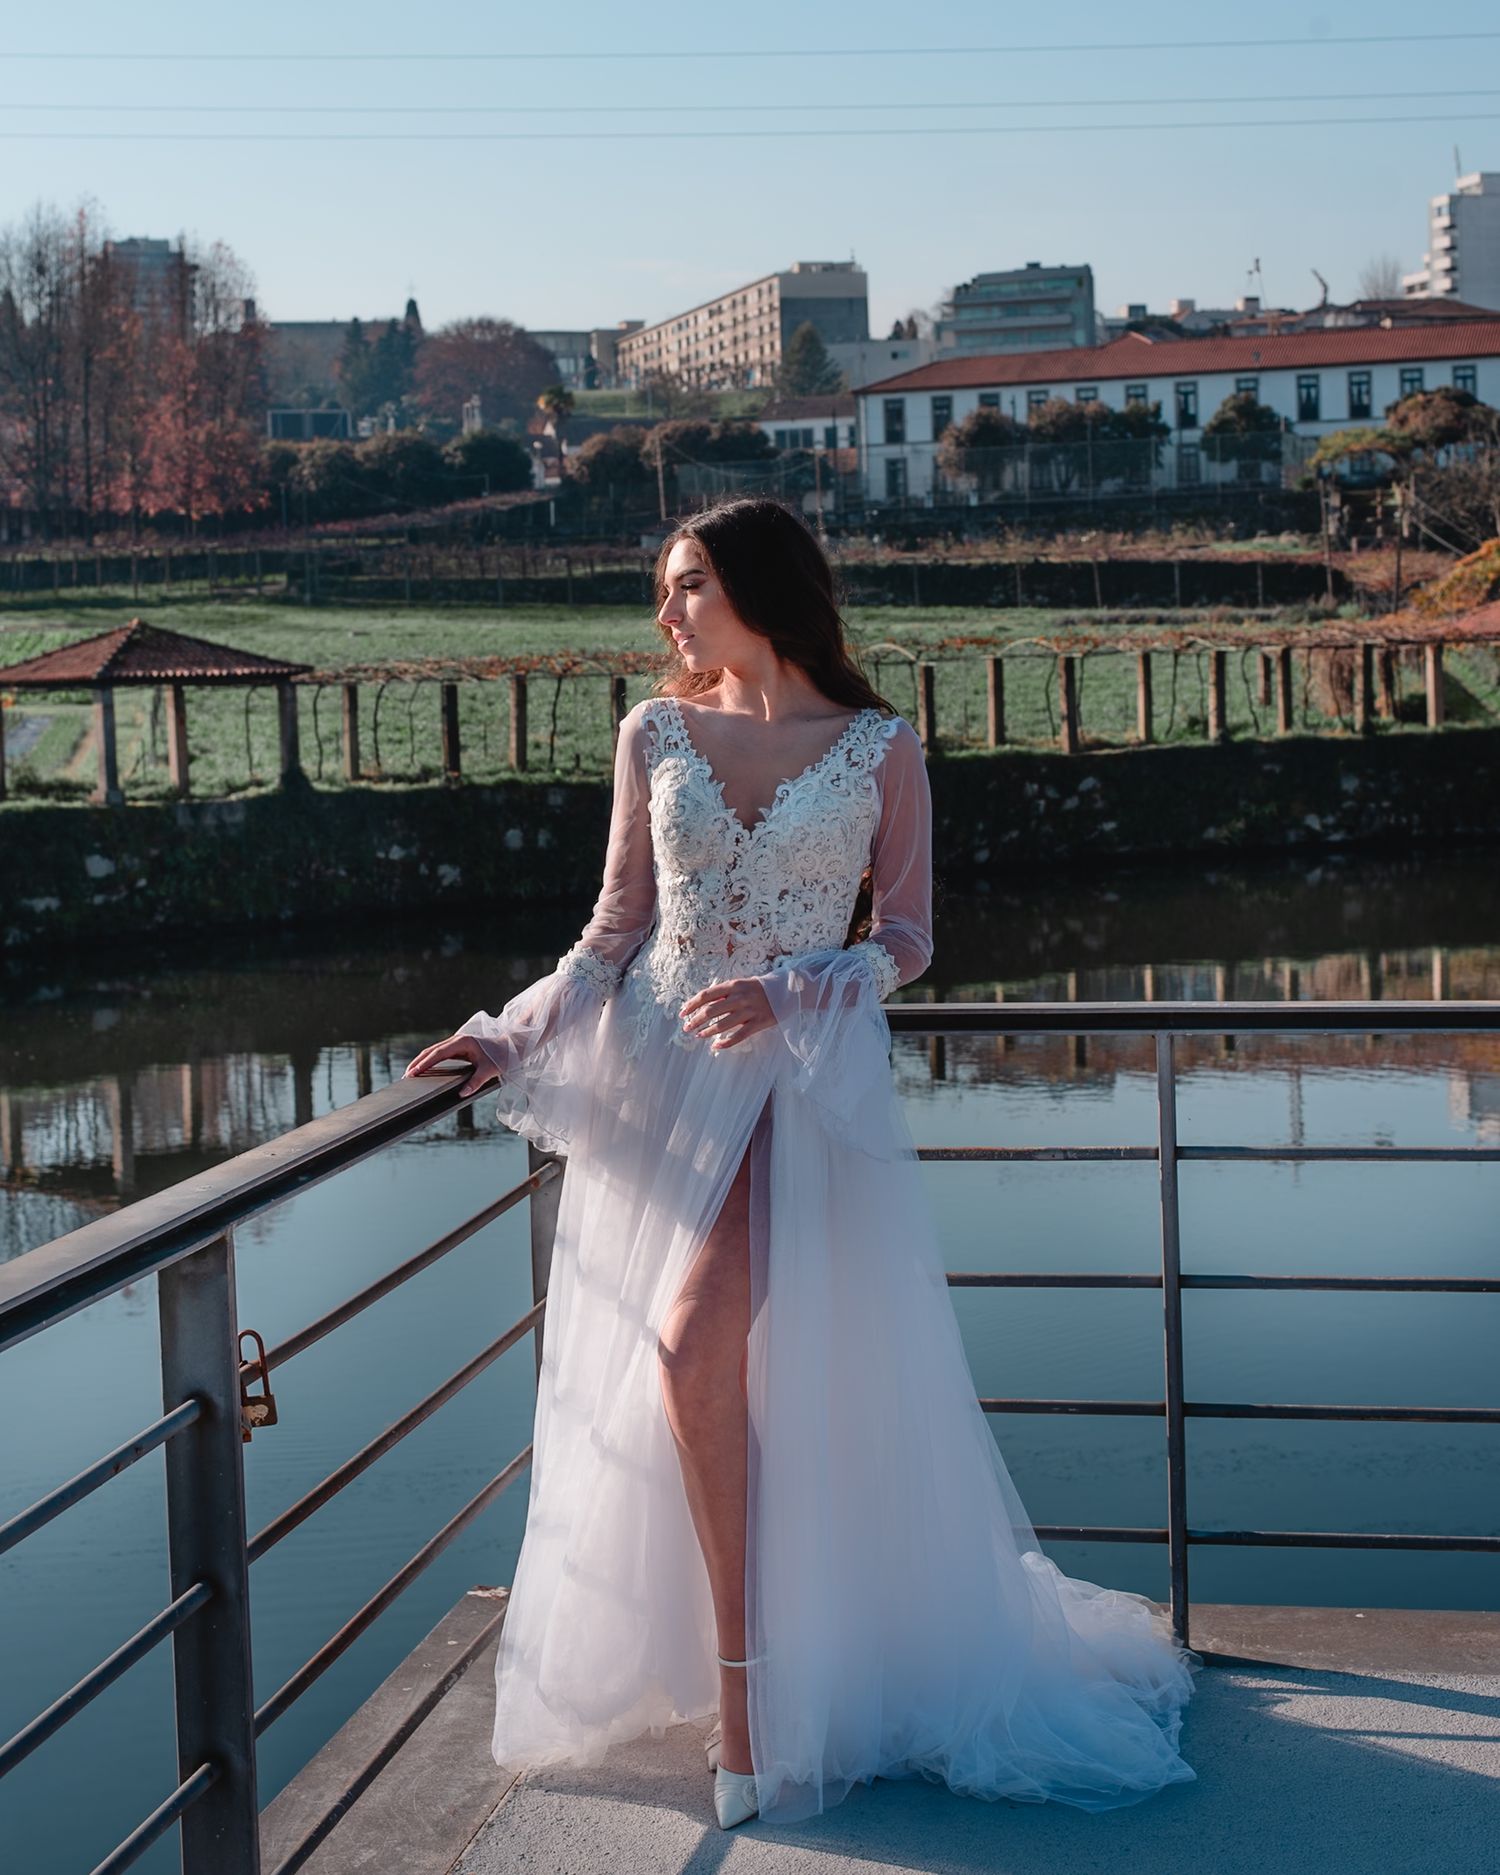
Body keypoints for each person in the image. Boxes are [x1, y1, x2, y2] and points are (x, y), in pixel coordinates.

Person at [405, 497, 1199, 1832]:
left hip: (793, 1083)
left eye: (689, 586)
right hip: (661, 1082)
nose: (668, 617)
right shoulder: (653, 731)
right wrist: (506, 1031)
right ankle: (750, 1657)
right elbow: (613, 929)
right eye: (666, 590)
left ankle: (747, 1698)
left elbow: (906, 936)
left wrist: (798, 989)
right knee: (693, 1370)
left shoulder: (881, 747)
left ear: (762, 589)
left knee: (686, 1351)